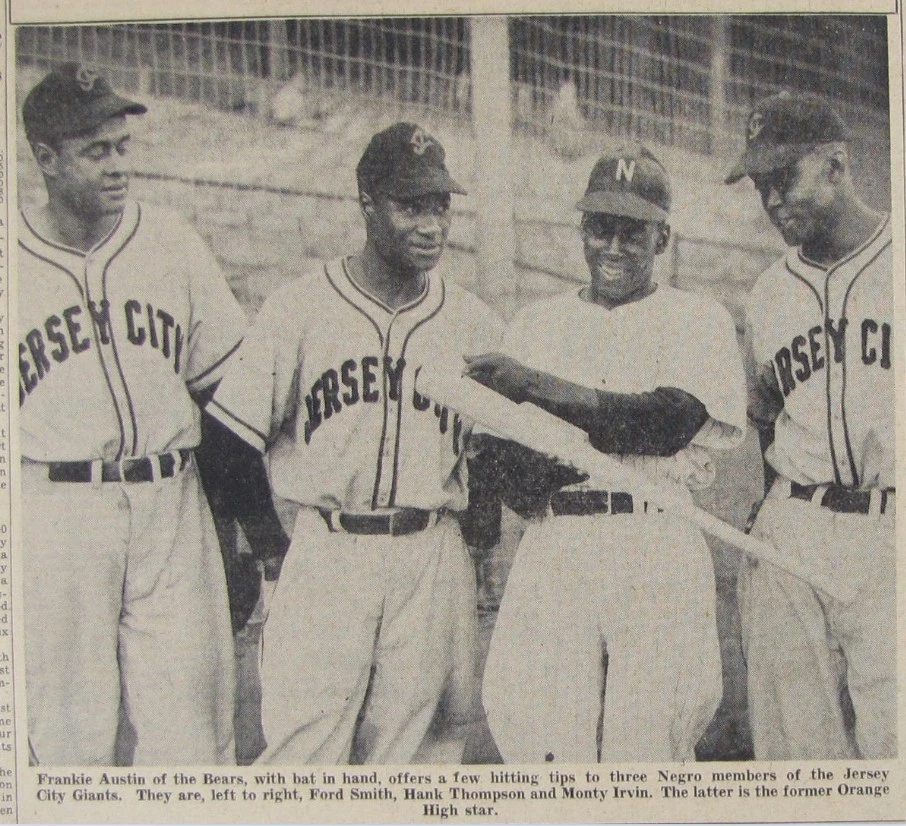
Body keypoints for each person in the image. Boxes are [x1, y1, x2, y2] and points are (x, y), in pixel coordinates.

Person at [18, 63, 288, 765]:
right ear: (44, 159)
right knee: (65, 738)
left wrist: (246, 533)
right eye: (94, 151)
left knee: (191, 735)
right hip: (55, 514)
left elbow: (222, 403)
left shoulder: (170, 243)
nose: (115, 167)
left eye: (121, 147)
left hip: (173, 504)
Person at [210, 121, 502, 764]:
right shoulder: (300, 308)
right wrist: (271, 551)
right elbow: (227, 437)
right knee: (302, 755)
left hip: (432, 551)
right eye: (410, 206)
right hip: (329, 549)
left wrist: (479, 546)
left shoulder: (471, 319)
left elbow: (487, 451)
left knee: (419, 759)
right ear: (367, 201)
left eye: (440, 206)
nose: (431, 226)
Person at [469, 143, 746, 762]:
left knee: (648, 747)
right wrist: (538, 461)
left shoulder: (699, 319)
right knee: (541, 739)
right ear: (583, 230)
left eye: (633, 232)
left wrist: (537, 387)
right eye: (601, 229)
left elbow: (667, 422)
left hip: (654, 534)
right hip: (557, 540)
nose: (614, 248)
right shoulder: (536, 324)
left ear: (662, 238)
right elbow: (502, 468)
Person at [725, 92, 895, 759]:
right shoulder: (768, 292)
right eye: (761, 185)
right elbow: (765, 418)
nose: (771, 201)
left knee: (894, 742)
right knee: (796, 750)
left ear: (834, 165)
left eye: (783, 178)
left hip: (891, 529)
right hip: (795, 523)